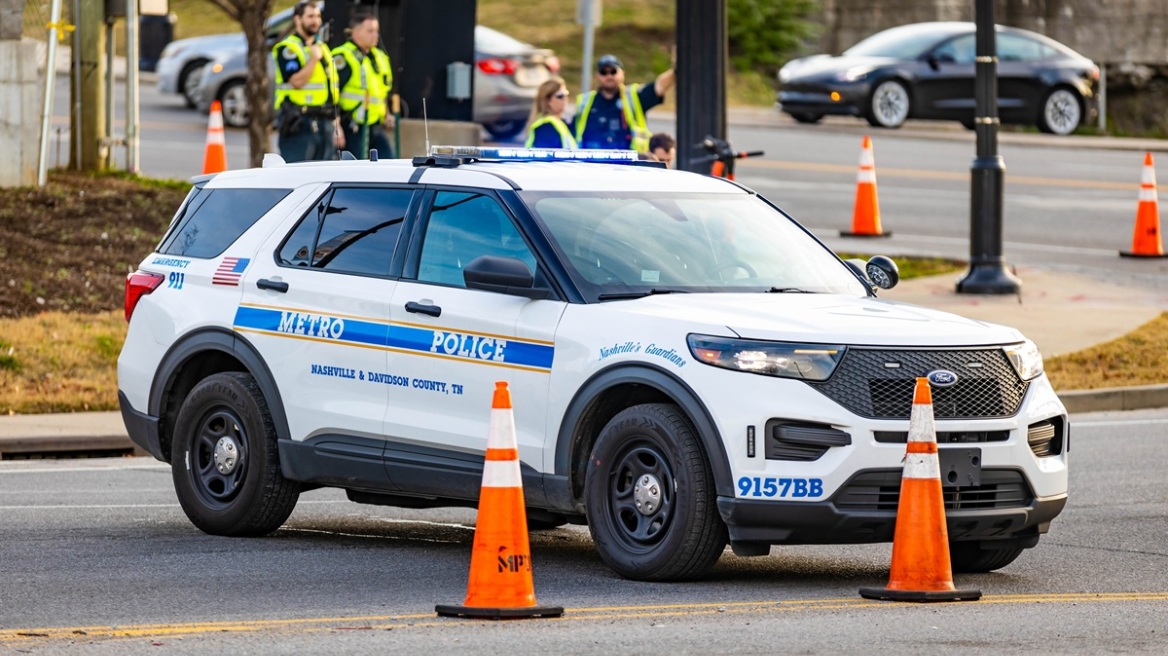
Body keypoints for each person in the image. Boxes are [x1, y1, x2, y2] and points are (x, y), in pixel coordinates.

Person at [271, 1, 343, 162]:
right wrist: (313, 60)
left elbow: (331, 89)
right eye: (310, 16)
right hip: (299, 122)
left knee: (324, 176)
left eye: (318, 16)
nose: (316, 21)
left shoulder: (322, 48)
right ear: (297, 20)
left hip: (324, 122)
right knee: (297, 173)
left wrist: (336, 123)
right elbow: (296, 81)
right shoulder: (288, 48)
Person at [571, 53, 675, 153]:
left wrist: (676, 68)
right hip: (591, 165)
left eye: (613, 71)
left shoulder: (634, 97)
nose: (609, 76)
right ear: (597, 75)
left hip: (628, 165)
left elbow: (660, 86)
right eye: (604, 72)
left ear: (622, 73)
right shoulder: (585, 102)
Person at [334, 11, 395, 159]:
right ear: (355, 32)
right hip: (353, 125)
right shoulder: (343, 56)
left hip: (375, 124)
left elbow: (382, 90)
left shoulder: (379, 57)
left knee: (388, 163)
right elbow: (332, 94)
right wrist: (336, 128)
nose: (375, 35)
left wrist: (387, 113)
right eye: (370, 31)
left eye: (376, 31)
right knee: (354, 169)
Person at [524, 77, 577, 149]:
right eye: (560, 96)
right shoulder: (546, 128)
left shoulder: (558, 123)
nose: (565, 98)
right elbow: (546, 158)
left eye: (566, 94)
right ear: (547, 100)